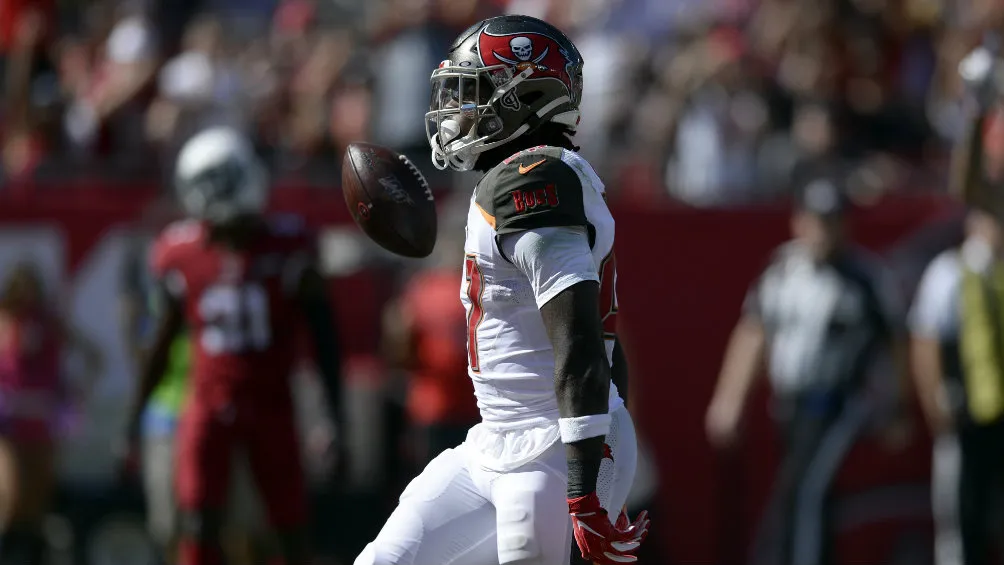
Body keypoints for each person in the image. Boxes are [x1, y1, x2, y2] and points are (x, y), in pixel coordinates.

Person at [354, 15, 648, 565]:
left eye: (474, 93)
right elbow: (607, 348)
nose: (457, 112)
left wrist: (589, 483)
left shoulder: (534, 178)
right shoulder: (515, 176)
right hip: (496, 438)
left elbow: (583, 345)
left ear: (527, 95)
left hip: (552, 448)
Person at [121, 126, 344, 565]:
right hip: (207, 403)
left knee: (288, 530)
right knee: (199, 523)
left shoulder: (288, 245)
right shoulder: (181, 252)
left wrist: (333, 418)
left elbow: (325, 340)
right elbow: (162, 343)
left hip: (271, 403)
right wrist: (133, 421)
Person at [705, 178, 910, 565]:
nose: (824, 232)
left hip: (842, 404)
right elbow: (753, 331)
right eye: (817, 220)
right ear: (799, 222)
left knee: (808, 491)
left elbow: (897, 343)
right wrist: (730, 397)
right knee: (803, 492)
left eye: (832, 221)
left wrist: (897, 406)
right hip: (790, 405)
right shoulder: (782, 270)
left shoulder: (865, 278)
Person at [910, 38, 1004, 565]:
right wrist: (977, 109)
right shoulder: (959, 269)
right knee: (963, 530)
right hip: (975, 416)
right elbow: (969, 186)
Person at [0, 262, 102, 564]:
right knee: (12, 492)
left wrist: (76, 391)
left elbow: (93, 356)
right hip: (9, 423)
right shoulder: (5, 321)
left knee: (39, 496)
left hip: (43, 421)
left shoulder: (51, 323)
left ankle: (31, 554)